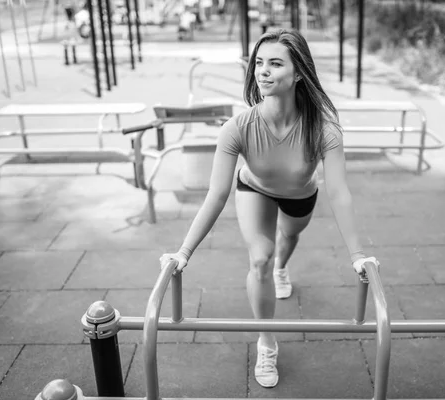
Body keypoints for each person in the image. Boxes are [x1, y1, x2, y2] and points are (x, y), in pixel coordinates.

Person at [160, 28, 378, 388]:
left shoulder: (324, 130)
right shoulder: (238, 127)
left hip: (301, 195)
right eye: (259, 63)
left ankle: (282, 267)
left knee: (287, 240)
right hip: (254, 189)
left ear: (298, 74)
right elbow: (216, 194)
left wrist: (357, 255)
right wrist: (184, 252)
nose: (262, 70)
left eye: (275, 64)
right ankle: (266, 341)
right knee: (259, 257)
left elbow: (339, 193)